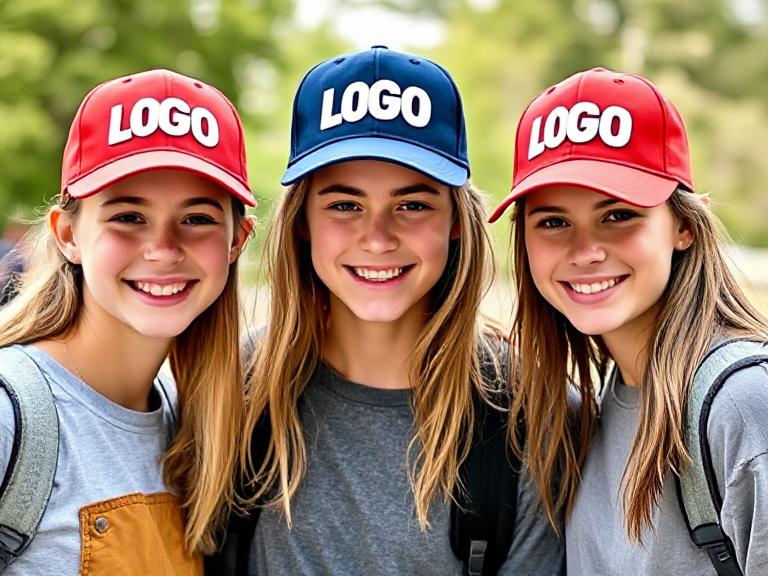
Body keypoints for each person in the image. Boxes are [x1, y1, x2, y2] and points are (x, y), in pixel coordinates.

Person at [214, 46, 563, 575]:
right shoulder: (232, 390)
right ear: (303, 220)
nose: (377, 239)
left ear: (454, 221)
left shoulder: (528, 414)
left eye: (413, 205)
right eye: (345, 205)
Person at [489, 67, 768, 575]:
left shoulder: (742, 405)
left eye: (618, 215)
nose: (586, 251)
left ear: (683, 225)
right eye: (553, 222)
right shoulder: (600, 404)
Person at [0, 68, 256, 574]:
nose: (163, 249)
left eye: (197, 218)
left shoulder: (200, 426)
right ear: (68, 235)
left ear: (236, 241)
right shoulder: (10, 414)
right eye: (129, 217)